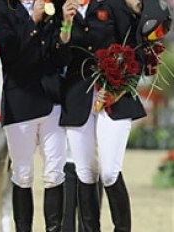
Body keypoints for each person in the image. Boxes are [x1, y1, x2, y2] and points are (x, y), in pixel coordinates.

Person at [0, 0, 77, 231]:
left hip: (52, 102)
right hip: (21, 103)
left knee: (54, 174)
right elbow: (10, 54)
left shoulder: (54, 5)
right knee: (22, 174)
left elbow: (61, 58)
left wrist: (66, 25)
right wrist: (33, 21)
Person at [60, 0, 147, 231]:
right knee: (85, 173)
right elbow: (57, 56)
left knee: (109, 171)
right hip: (78, 97)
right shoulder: (62, 8)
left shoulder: (113, 5)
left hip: (113, 96)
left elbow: (135, 50)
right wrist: (66, 24)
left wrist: (118, 90)